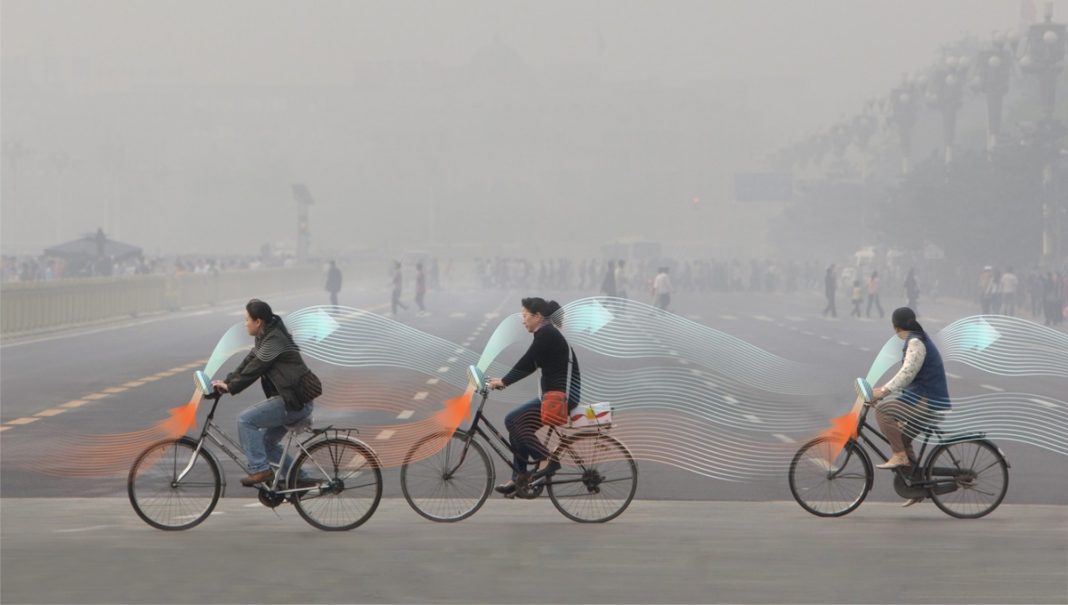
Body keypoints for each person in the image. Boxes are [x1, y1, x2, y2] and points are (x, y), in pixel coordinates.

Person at [212, 299, 316, 487]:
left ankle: (260, 470)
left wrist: (232, 387)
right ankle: (300, 479)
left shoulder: (274, 341)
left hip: (295, 402)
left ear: (258, 321)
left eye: (247, 320)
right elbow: (248, 363)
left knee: (245, 420)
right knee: (266, 444)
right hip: (292, 400)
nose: (245, 324)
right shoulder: (265, 337)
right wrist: (226, 382)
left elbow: (256, 369)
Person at [486, 298, 581, 496]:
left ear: (538, 316)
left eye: (525, 316)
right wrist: (504, 380)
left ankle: (547, 460)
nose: (523, 321)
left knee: (512, 420)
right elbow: (530, 364)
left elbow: (527, 360)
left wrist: (504, 381)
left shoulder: (546, 334)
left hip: (560, 399)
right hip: (554, 396)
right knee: (517, 424)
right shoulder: (546, 333)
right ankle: (520, 479)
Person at [870, 307, 951, 507]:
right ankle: (916, 487)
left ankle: (899, 456)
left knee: (883, 411)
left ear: (895, 326)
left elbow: (907, 374)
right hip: (924, 398)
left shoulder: (915, 342)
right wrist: (883, 389)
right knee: (902, 438)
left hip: (928, 401)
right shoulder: (917, 338)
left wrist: (883, 392)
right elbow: (908, 377)